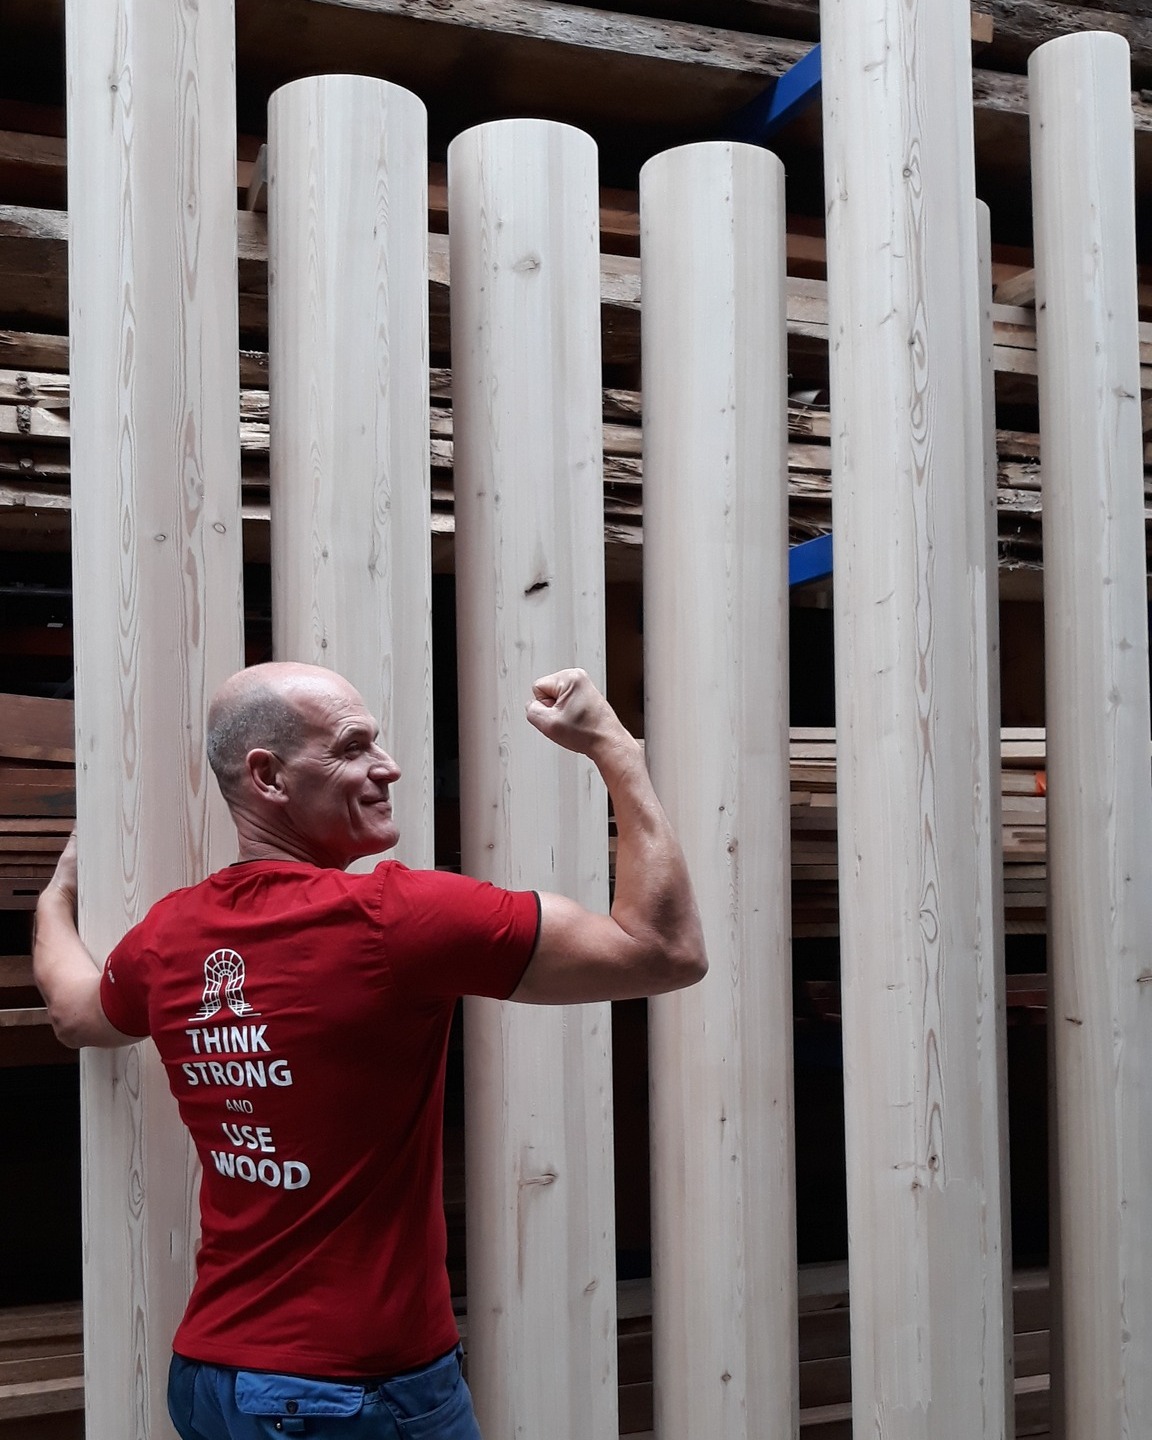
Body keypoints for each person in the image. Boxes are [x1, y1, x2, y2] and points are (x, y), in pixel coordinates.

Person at [33, 661, 706, 1440]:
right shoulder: (395, 920)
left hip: (212, 1385)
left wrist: (55, 899)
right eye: (352, 749)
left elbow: (76, 1011)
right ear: (269, 776)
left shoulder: (168, 937)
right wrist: (616, 750)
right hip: (350, 1395)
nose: (386, 767)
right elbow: (665, 950)